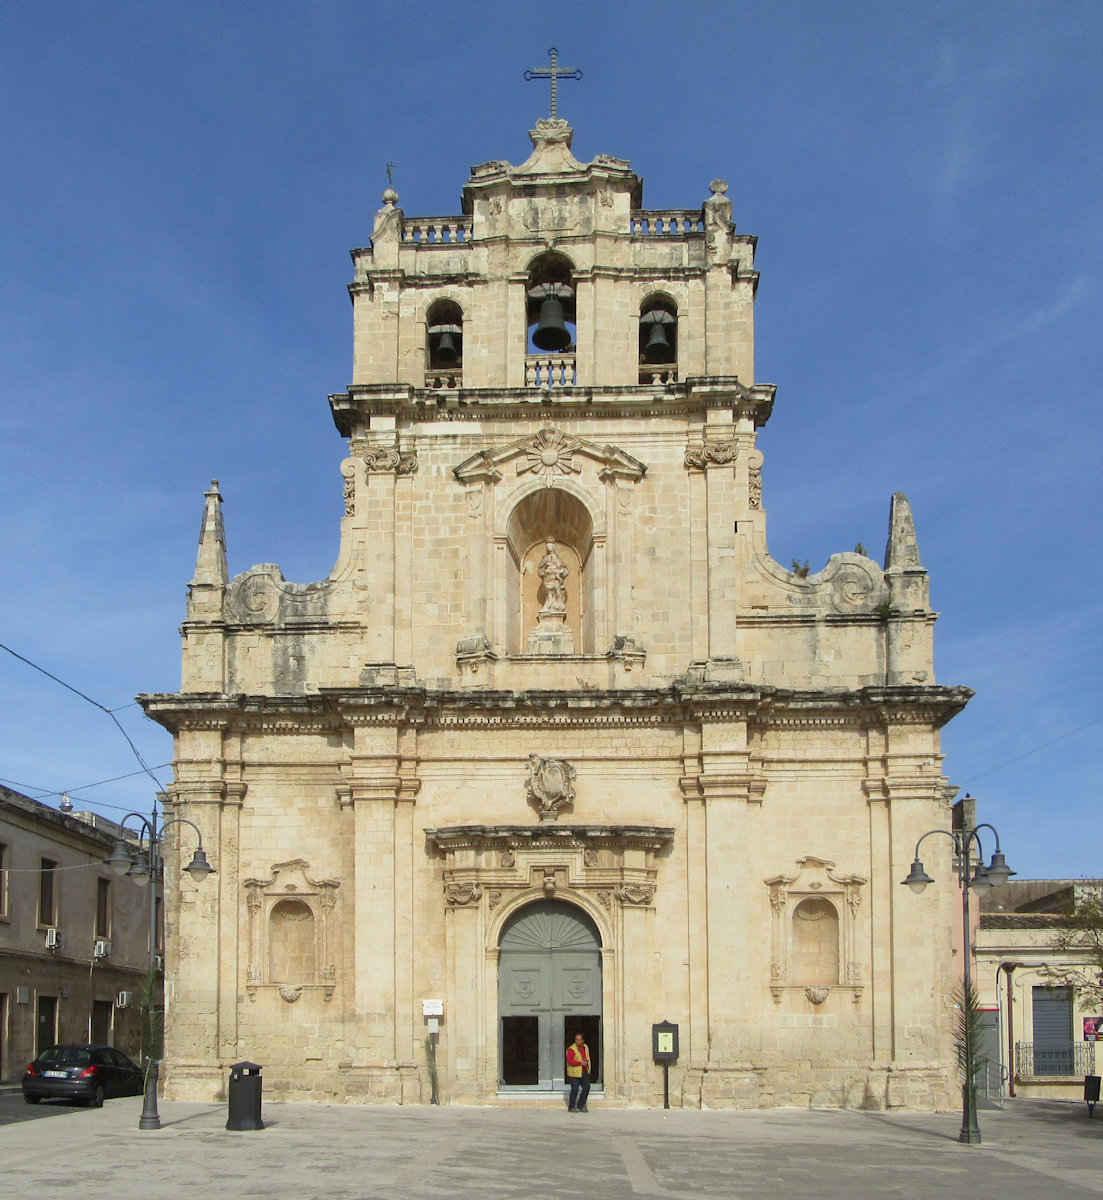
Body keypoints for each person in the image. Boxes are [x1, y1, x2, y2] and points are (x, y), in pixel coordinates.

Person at [565, 1032, 591, 1112]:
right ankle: (571, 1107)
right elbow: (569, 1060)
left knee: (586, 1087)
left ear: (583, 1040)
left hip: (584, 1072)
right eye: (576, 1040)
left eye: (579, 1040)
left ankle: (581, 1105)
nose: (577, 1041)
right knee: (575, 1089)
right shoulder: (572, 1049)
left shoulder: (585, 1047)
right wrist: (580, 1063)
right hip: (574, 1073)